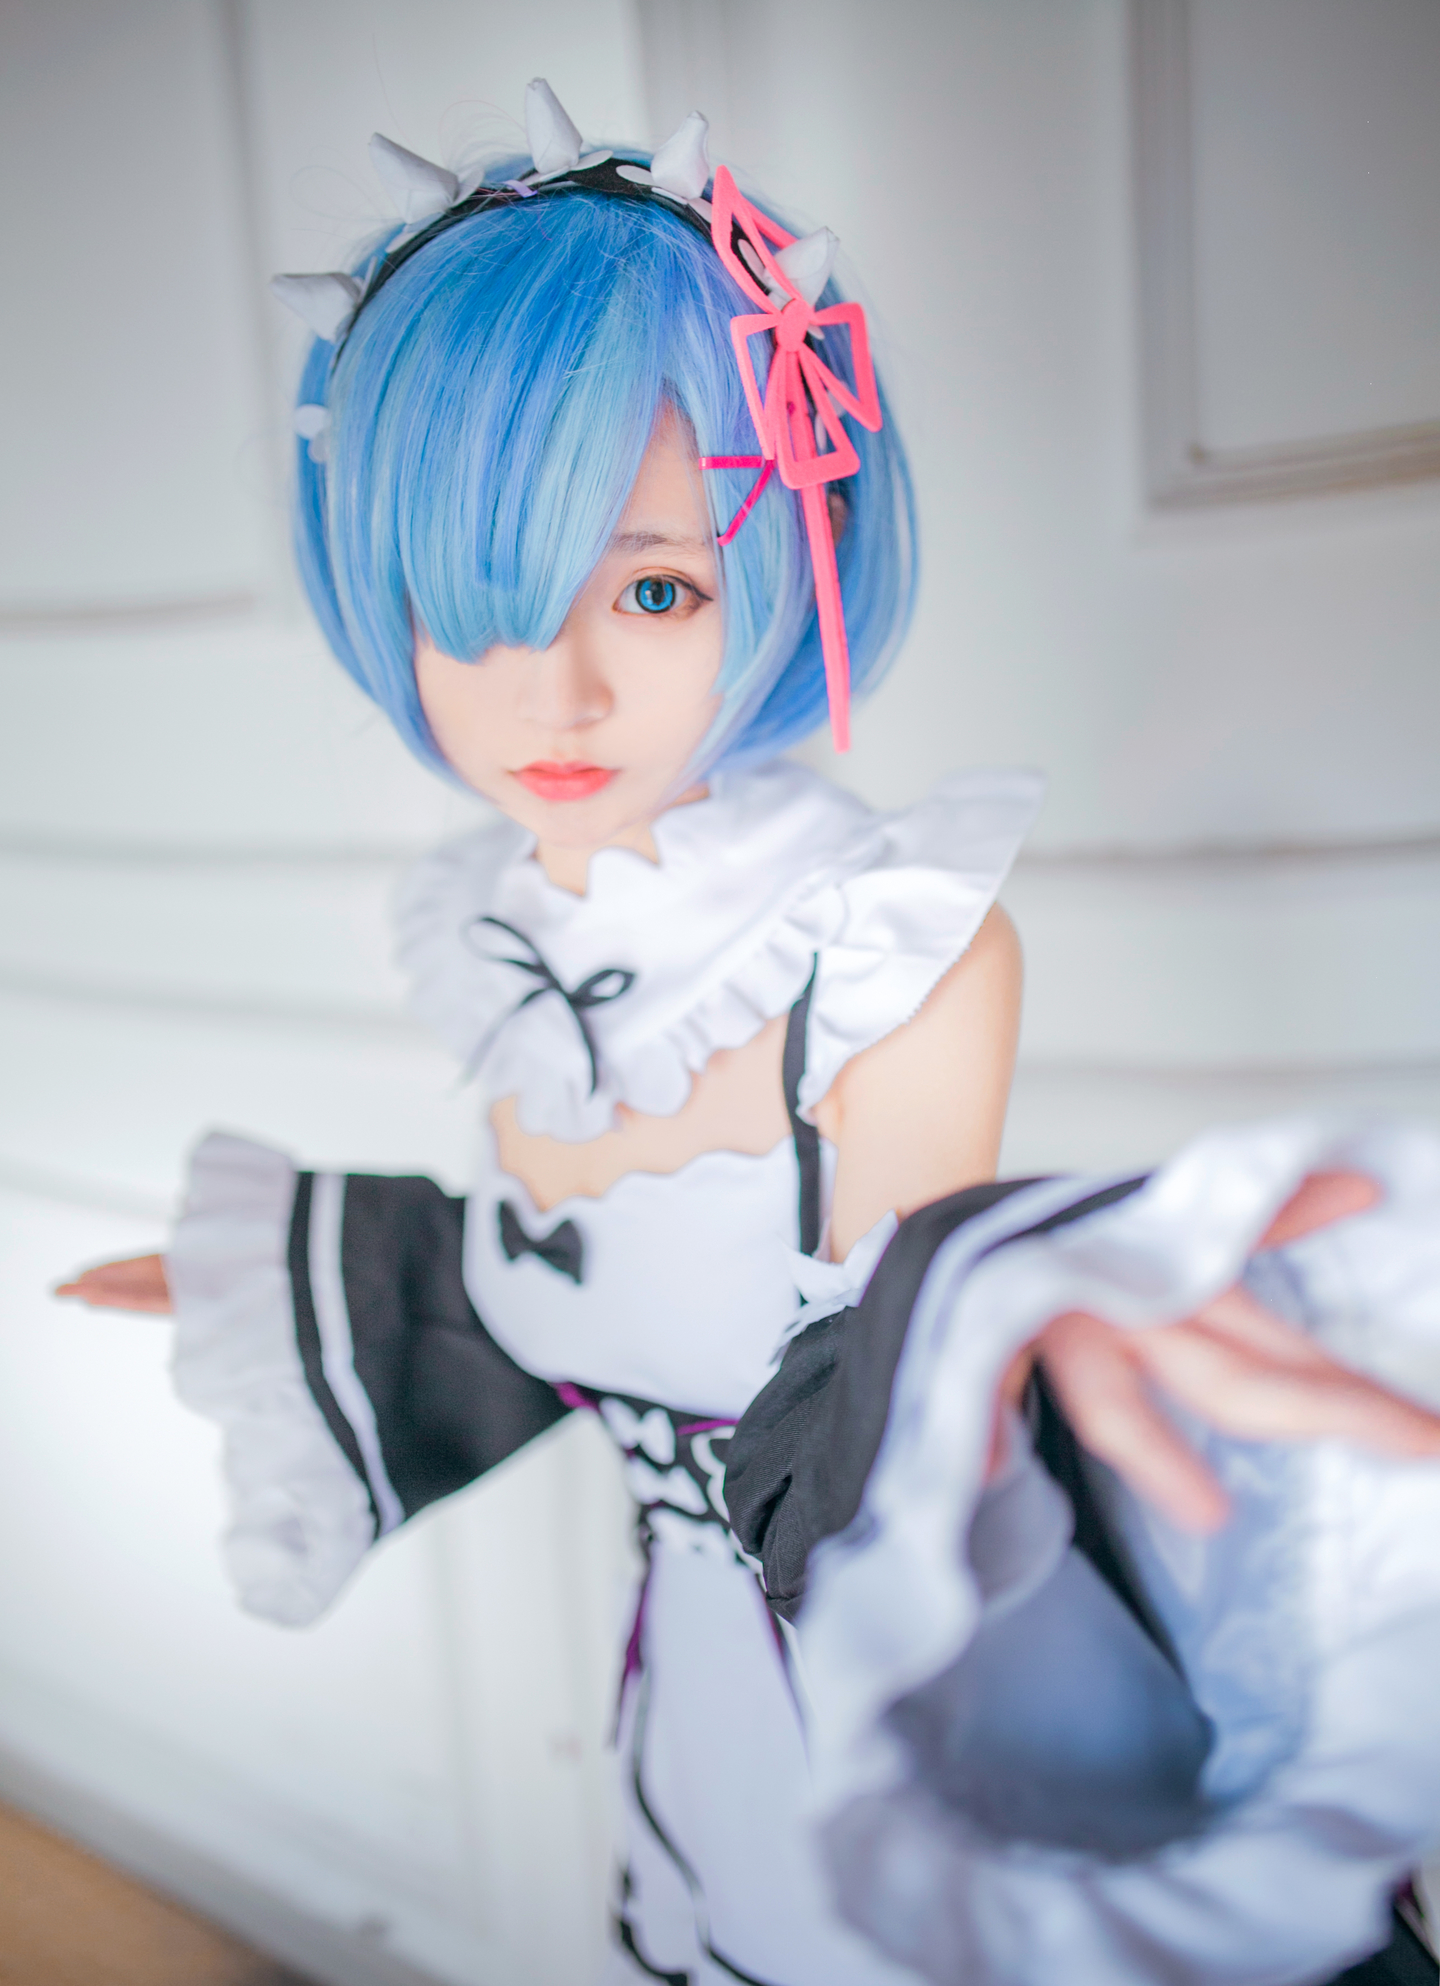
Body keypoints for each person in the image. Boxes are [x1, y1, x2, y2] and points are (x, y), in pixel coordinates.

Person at [59, 82, 1440, 1986]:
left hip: (894, 1701)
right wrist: (304, 1279)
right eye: (473, 601)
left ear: (786, 554)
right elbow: (586, 1296)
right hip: (693, 1714)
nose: (555, 689)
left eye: (654, 585)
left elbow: (895, 1376)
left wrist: (1052, 1314)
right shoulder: (493, 940)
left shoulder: (892, 947)